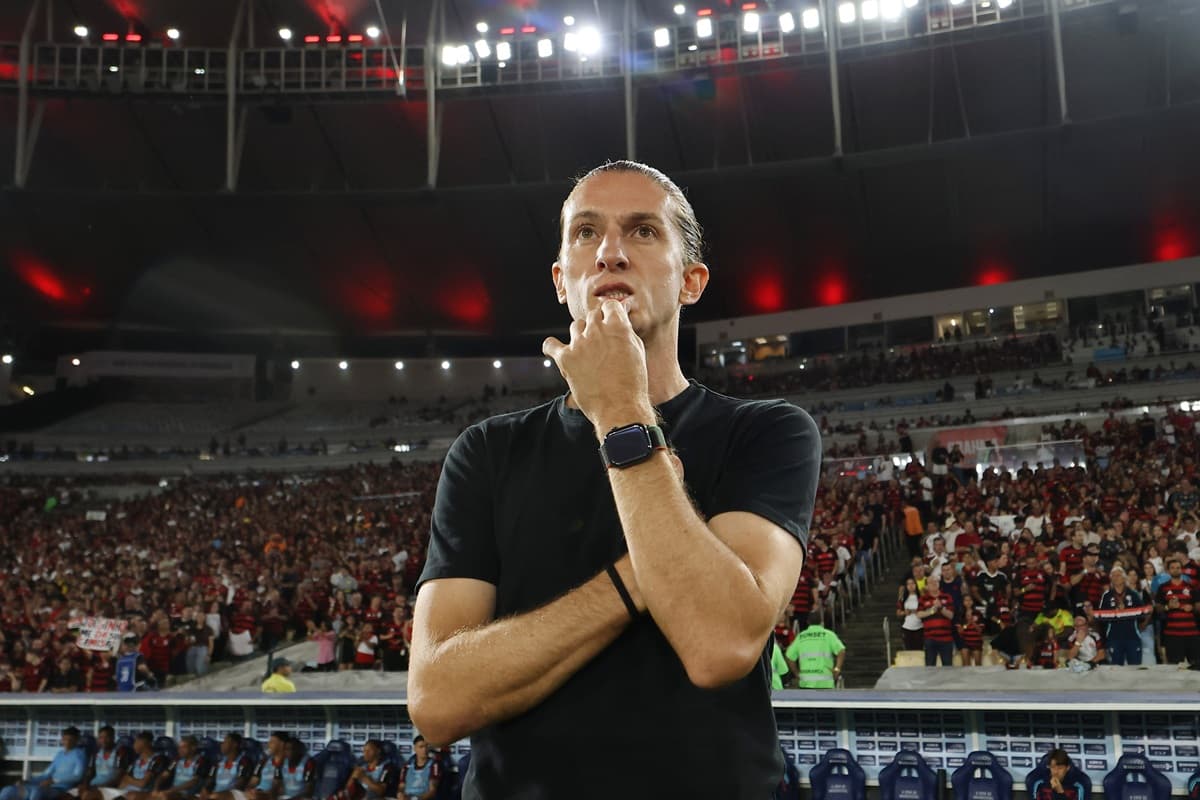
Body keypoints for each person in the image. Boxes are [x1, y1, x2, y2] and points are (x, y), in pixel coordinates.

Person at [409, 160, 821, 798]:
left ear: (691, 282)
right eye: (586, 233)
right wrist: (636, 577)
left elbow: (719, 645)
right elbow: (437, 703)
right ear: (560, 280)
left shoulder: (767, 433)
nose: (609, 252)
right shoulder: (487, 452)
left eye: (643, 231)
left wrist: (622, 413)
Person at [0, 727, 88, 800]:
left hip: (61, 789)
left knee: (36, 791)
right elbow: (46, 774)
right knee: (8, 790)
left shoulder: (80, 754)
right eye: (65, 739)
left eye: (70, 740)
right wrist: (28, 781)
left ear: (76, 740)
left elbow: (78, 776)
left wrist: (54, 780)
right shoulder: (60, 754)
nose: (67, 742)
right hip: (45, 786)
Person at [1096, 566, 1147, 665]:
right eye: (1113, 576)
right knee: (1116, 669)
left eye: (1118, 575)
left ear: (1124, 578)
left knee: (1135, 668)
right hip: (1114, 637)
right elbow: (1102, 617)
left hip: (1132, 637)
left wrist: (1127, 611)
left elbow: (1142, 616)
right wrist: (1114, 612)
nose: (1116, 578)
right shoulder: (1106, 596)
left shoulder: (1133, 594)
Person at [1154, 557, 1200, 668]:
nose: (1176, 570)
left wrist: (1192, 608)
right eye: (1173, 568)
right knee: (1174, 668)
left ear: (1182, 570)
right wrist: (1168, 606)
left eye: (1178, 568)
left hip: (1192, 634)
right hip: (1172, 635)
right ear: (1168, 570)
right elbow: (1157, 608)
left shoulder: (1191, 587)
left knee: (1196, 667)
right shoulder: (1163, 588)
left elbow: (1198, 607)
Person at [784, 611, 845, 689]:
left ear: (808, 622)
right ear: (821, 621)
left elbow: (789, 656)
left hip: (806, 682)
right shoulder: (829, 635)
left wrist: (796, 673)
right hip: (825, 683)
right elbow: (841, 651)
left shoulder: (801, 636)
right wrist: (837, 668)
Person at [107, 732, 167, 800]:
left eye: (136, 742)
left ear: (143, 743)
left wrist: (129, 780)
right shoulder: (136, 760)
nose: (134, 745)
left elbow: (143, 784)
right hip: (129, 792)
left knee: (132, 796)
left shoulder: (157, 759)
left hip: (145, 793)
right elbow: (124, 780)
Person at [78, 726, 132, 800]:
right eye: (101, 737)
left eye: (106, 737)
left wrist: (103, 786)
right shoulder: (96, 752)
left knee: (88, 795)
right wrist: (85, 784)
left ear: (113, 737)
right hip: (94, 785)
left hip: (111, 787)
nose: (103, 740)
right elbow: (90, 772)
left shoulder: (120, 752)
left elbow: (120, 775)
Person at [328, 741, 393, 800]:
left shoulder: (387, 767)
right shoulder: (361, 767)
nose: (365, 753)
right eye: (364, 751)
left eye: (369, 750)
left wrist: (363, 778)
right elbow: (347, 790)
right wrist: (352, 778)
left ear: (378, 751)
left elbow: (380, 791)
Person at [202, 734, 254, 800]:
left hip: (234, 795)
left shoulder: (244, 761)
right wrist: (205, 789)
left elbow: (240, 784)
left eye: (225, 742)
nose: (222, 745)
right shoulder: (218, 761)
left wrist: (223, 795)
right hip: (216, 795)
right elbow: (210, 779)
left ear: (234, 744)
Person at [918, 577, 956, 666]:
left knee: (948, 667)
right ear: (927, 586)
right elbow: (919, 614)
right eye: (931, 582)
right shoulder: (923, 599)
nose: (934, 583)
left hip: (946, 639)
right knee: (930, 667)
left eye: (935, 581)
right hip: (930, 638)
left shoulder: (947, 597)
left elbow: (951, 616)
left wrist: (941, 608)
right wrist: (932, 611)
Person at [249, 734, 288, 800]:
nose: (268, 745)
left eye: (272, 742)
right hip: (259, 793)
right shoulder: (264, 761)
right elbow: (254, 781)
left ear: (281, 744)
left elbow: (281, 788)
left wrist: (264, 794)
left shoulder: (288, 762)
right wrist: (248, 790)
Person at [897, 578, 923, 652]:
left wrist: (917, 611)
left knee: (919, 650)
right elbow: (898, 613)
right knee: (908, 650)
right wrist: (905, 612)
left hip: (919, 627)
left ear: (916, 585)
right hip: (907, 627)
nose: (911, 586)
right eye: (908, 584)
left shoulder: (921, 597)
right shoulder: (902, 598)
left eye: (912, 583)